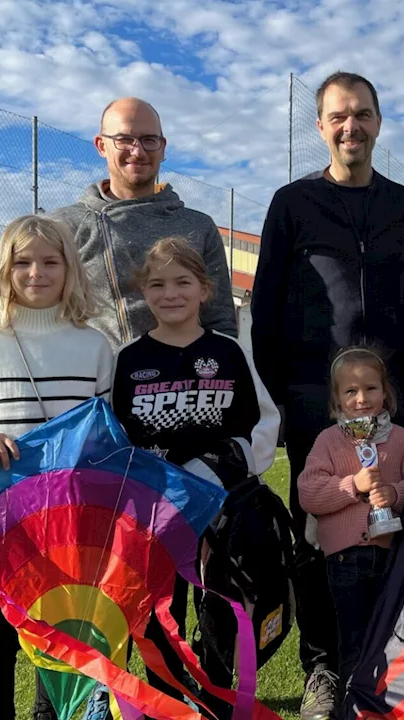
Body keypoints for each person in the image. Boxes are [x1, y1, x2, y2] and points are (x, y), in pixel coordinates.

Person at [249, 71, 404, 720]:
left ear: (379, 121)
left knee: (394, 527)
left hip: (390, 408)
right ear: (321, 128)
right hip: (315, 412)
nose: (351, 126)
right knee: (322, 535)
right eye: (338, 117)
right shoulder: (291, 204)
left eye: (362, 114)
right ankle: (324, 667)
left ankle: (390, 656)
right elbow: (264, 311)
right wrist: (280, 405)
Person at [0, 215, 114, 720]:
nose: (36, 272)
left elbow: (108, 432)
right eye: (22, 261)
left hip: (72, 518)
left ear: (70, 269)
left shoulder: (95, 345)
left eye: (50, 261)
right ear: (2, 268)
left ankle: (51, 714)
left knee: (65, 627)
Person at [107, 237, 285, 718]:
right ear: (143, 292)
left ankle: (216, 696)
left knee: (221, 604)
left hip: (220, 510)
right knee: (159, 610)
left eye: (183, 282)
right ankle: (165, 697)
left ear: (205, 289)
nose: (171, 294)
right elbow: (114, 436)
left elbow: (265, 421)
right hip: (155, 511)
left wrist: (229, 466)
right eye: (158, 284)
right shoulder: (127, 359)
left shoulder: (228, 351)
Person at [297, 348, 404, 704]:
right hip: (345, 561)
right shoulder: (328, 441)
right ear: (336, 398)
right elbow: (308, 493)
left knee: (395, 636)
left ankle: (394, 703)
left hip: (394, 558)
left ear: (386, 392)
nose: (361, 399)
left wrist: (395, 493)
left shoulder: (401, 439)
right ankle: (352, 707)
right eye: (350, 392)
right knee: (353, 641)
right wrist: (351, 485)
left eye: (370, 389)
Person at [51, 97, 237, 347]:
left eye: (149, 140)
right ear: (101, 145)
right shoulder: (63, 226)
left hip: (183, 382)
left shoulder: (199, 226)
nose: (137, 152)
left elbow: (220, 323)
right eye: (124, 139)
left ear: (162, 147)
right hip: (95, 382)